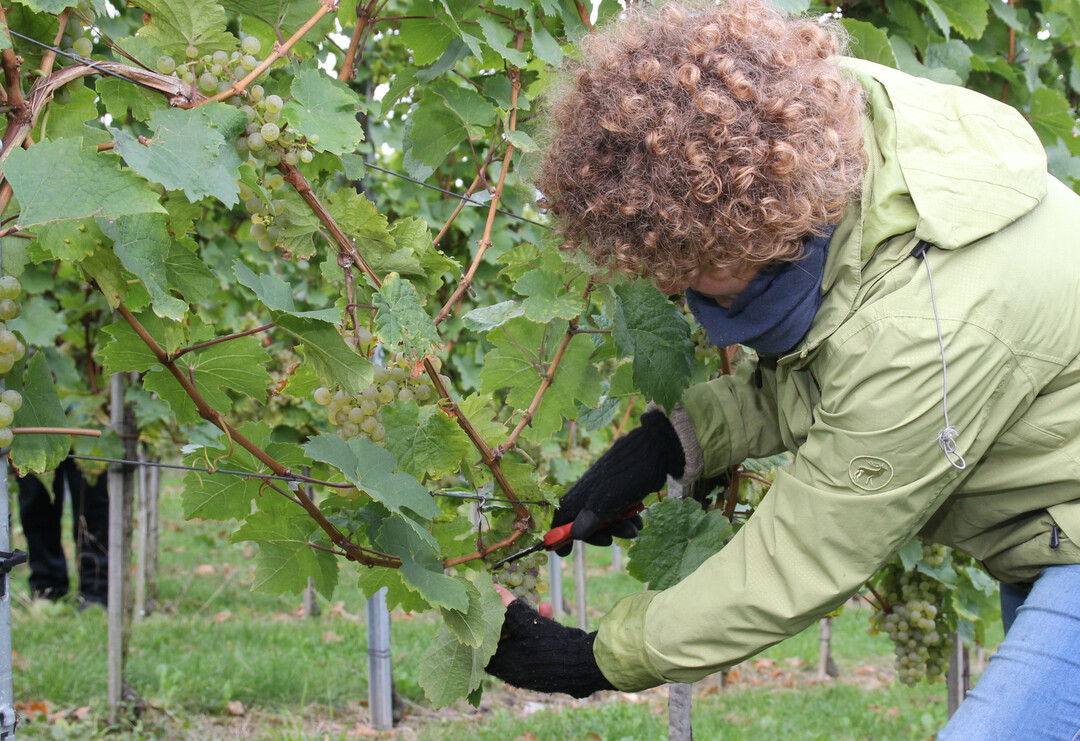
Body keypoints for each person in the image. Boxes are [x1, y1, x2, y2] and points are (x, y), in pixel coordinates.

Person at [484, 0, 1080, 736]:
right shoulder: (823, 147)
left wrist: (599, 656)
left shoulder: (928, 323)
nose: (676, 291)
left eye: (693, 268)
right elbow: (834, 350)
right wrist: (676, 439)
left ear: (758, 232)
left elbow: (805, 552)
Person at [16, 458, 109, 607]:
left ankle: (96, 590)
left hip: (84, 436)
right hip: (34, 438)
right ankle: (46, 588)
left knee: (91, 498)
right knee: (35, 497)